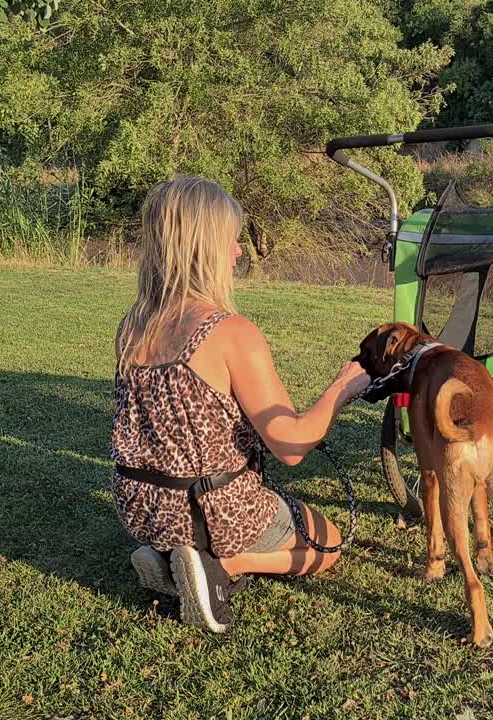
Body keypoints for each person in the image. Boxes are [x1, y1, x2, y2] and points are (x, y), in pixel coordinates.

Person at [108, 175, 370, 633]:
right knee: (327, 544)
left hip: (140, 505)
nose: (238, 251)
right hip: (213, 508)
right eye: (231, 239)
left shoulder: (133, 326)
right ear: (206, 248)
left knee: (194, 514)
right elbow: (291, 446)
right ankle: (222, 565)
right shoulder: (230, 332)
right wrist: (342, 388)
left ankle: (167, 552)